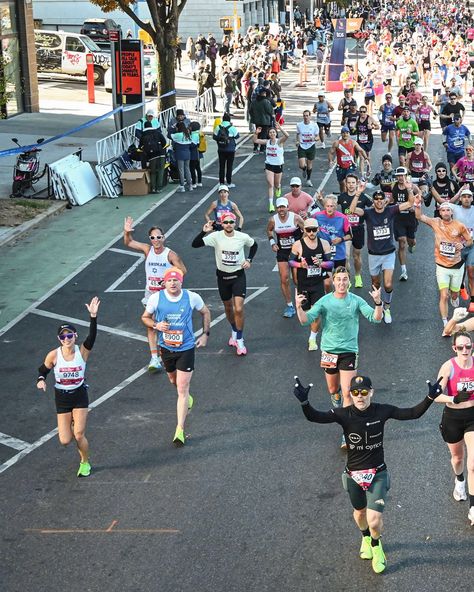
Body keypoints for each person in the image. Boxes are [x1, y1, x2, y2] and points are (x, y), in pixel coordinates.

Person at [292, 374, 443, 572]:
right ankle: (365, 537)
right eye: (355, 392)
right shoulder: (343, 414)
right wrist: (304, 402)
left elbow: (412, 413)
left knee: (374, 520)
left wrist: (430, 398)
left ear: (371, 392)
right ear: (351, 395)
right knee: (360, 513)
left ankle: (376, 545)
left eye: (364, 392)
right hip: (353, 475)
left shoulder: (382, 410)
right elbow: (315, 416)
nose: (360, 396)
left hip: (377, 473)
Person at [294, 267, 383, 440]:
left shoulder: (356, 301)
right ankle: (336, 399)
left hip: (349, 351)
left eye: (345, 279)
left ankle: (346, 431)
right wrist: (299, 307)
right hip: (329, 351)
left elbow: (376, 318)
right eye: (339, 279)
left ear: (349, 282)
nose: (342, 283)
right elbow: (306, 320)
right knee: (333, 389)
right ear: (333, 282)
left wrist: (378, 303)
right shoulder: (325, 301)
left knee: (348, 392)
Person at [141, 268, 210, 446]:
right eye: (170, 281)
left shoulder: (191, 297)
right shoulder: (156, 298)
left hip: (186, 347)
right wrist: (156, 325)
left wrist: (205, 334)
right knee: (173, 381)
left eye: (176, 280)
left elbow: (206, 312)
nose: (173, 283)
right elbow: (145, 318)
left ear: (181, 282)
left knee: (181, 387)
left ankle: (179, 429)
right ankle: (188, 398)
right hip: (166, 348)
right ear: (164, 283)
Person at [37, 297, 100, 478]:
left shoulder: (82, 351)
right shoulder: (54, 355)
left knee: (79, 434)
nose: (67, 339)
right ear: (59, 339)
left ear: (75, 337)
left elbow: (92, 337)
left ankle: (85, 462)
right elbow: (43, 370)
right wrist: (41, 379)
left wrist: (93, 317)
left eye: (69, 335)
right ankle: (71, 422)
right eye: (63, 336)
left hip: (79, 395)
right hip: (62, 398)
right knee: (65, 440)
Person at [123, 217, 187, 372]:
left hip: (165, 295)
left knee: (168, 325)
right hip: (150, 294)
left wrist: (169, 279)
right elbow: (129, 242)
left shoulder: (170, 255)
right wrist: (126, 232)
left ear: (163, 238)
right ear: (150, 239)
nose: (156, 240)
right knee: (151, 325)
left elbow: (183, 271)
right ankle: (154, 358)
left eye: (159, 237)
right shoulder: (147, 249)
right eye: (153, 237)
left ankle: (171, 353)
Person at [192, 213, 258, 355]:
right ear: (222, 224)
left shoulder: (242, 237)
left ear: (235, 223)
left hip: (238, 276)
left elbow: (254, 245)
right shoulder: (216, 237)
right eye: (226, 222)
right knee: (228, 308)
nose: (228, 224)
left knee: (239, 309)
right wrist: (204, 231)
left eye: (231, 222)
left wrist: (249, 260)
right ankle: (234, 329)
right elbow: (195, 244)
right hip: (223, 278)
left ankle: (240, 340)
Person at [349, 188, 415, 324]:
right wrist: (358, 193)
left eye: (381, 199)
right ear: (373, 201)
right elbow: (352, 209)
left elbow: (410, 202)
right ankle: (378, 305)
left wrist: (409, 188)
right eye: (376, 199)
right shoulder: (368, 213)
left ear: (385, 201)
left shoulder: (390, 210)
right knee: (376, 283)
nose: (379, 201)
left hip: (388, 253)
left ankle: (388, 307)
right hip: (374, 255)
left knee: (388, 283)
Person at [435, 329, 474, 526]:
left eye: (468, 346)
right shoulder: (448, 367)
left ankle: (473, 507)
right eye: (461, 347)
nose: (465, 350)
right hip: (453, 417)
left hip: (473, 416)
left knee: (473, 463)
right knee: (458, 458)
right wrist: (453, 398)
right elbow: (435, 395)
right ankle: (459, 480)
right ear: (454, 348)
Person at [414, 200, 471, 329]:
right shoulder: (436, 222)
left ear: (452, 212)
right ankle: (445, 322)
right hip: (441, 265)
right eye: (443, 210)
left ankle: (455, 295)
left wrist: (462, 245)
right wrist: (417, 205)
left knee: (454, 294)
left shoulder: (460, 225)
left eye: (448, 210)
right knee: (443, 295)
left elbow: (469, 241)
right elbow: (419, 216)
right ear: (440, 212)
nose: (445, 212)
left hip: (456, 265)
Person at [289, 218, 333, 350]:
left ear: (318, 229)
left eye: (314, 230)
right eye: (309, 230)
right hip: (303, 284)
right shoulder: (298, 245)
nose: (312, 232)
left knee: (316, 313)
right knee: (307, 314)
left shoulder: (324, 243)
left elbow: (331, 263)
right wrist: (300, 264)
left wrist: (321, 264)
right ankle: (312, 332)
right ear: (304, 230)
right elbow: (290, 261)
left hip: (317, 283)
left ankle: (312, 338)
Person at [267, 197, 304, 318]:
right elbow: (269, 231)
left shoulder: (296, 218)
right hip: (282, 252)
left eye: (283, 207)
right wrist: (272, 243)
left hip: (296, 252)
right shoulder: (273, 220)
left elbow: (306, 230)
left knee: (297, 280)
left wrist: (302, 245)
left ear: (288, 207)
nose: (281, 209)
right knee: (284, 279)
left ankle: (302, 299)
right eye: (279, 207)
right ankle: (289, 305)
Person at [337, 174, 373, 288]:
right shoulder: (342, 197)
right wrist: (321, 200)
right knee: (346, 256)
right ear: (346, 184)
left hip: (359, 229)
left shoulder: (363, 197)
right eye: (349, 183)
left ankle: (358, 276)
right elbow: (330, 206)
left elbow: (374, 207)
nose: (351, 185)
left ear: (357, 184)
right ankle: (348, 278)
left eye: (353, 183)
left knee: (356, 255)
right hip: (346, 230)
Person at [391, 167, 420, 281]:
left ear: (406, 175)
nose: (400, 177)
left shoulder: (412, 186)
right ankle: (404, 271)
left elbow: (420, 196)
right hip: (399, 218)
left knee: (411, 241)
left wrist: (416, 205)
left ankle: (412, 245)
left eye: (402, 175)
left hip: (410, 218)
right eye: (398, 176)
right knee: (402, 243)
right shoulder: (394, 186)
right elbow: (392, 199)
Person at [253, 122, 289, 213]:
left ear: (276, 133)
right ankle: (271, 205)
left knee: (276, 184)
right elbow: (256, 141)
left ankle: (278, 187)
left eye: (273, 132)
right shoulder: (267, 142)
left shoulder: (279, 141)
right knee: (270, 185)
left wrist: (280, 128)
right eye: (270, 133)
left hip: (278, 166)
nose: (272, 134)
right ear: (268, 134)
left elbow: (287, 135)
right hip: (269, 165)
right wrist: (256, 133)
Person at [311, 194, 351, 270]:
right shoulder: (316, 216)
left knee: (339, 276)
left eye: (332, 206)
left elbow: (350, 235)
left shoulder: (343, 218)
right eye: (327, 206)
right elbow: (308, 229)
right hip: (322, 253)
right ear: (324, 206)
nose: (329, 209)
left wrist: (340, 239)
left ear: (336, 206)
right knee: (325, 279)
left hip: (338, 253)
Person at [328, 126, 369, 193]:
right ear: (341, 134)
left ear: (349, 134)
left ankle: (349, 196)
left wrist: (366, 158)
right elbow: (330, 153)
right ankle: (342, 195)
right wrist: (330, 161)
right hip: (340, 167)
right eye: (343, 133)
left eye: (347, 133)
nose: (345, 134)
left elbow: (361, 150)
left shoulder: (353, 143)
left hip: (350, 166)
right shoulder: (337, 143)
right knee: (341, 184)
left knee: (348, 182)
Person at [138, 122, 168, 193]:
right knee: (161, 171)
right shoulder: (157, 132)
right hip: (161, 154)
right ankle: (159, 188)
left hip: (152, 156)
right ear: (151, 126)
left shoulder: (143, 135)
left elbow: (140, 146)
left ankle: (153, 188)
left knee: (153, 172)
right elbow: (164, 142)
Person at [213, 112, 240, 187]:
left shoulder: (218, 127)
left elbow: (214, 137)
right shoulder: (232, 128)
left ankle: (221, 182)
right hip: (230, 149)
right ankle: (229, 182)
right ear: (229, 120)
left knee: (221, 166)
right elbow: (237, 136)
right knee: (229, 166)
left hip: (221, 149)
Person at [296, 110, 319, 187]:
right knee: (301, 165)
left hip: (311, 146)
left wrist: (315, 139)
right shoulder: (299, 125)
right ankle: (303, 169)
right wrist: (297, 141)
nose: (305, 117)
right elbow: (298, 134)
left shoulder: (314, 125)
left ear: (310, 116)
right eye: (304, 116)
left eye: (307, 115)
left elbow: (318, 136)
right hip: (302, 146)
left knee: (310, 164)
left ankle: (308, 179)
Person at [171, 121, 193, 192]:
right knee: (187, 169)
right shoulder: (187, 134)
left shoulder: (177, 135)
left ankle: (182, 186)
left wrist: (172, 128)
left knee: (181, 170)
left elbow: (169, 135)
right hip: (188, 153)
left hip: (180, 154)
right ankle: (190, 185)